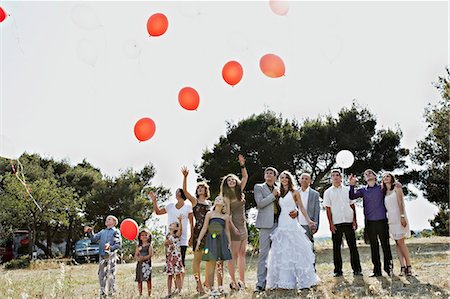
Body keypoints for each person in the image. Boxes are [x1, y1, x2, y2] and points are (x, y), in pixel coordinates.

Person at [266, 170, 318, 289]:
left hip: (292, 222)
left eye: (286, 177)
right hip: (282, 221)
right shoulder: (278, 193)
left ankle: (302, 281)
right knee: (282, 250)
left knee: (295, 249)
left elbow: (301, 207)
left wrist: (308, 220)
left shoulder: (295, 192)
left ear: (289, 179)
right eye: (282, 177)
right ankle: (284, 281)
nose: (284, 179)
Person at [349, 169, 396, 277]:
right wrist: (352, 185)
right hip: (370, 222)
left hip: (382, 220)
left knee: (385, 245)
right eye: (366, 174)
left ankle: (388, 268)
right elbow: (351, 196)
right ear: (365, 179)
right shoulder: (363, 190)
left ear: (375, 176)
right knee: (374, 246)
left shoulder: (382, 188)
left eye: (370, 173)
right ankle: (377, 270)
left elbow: (393, 187)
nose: (368, 175)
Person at [150, 189, 193, 287]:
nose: (176, 193)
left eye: (178, 191)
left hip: (182, 239)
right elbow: (157, 212)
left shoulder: (188, 207)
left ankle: (180, 287)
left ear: (181, 194)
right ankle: (176, 286)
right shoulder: (170, 206)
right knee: (171, 263)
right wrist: (154, 201)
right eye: (176, 191)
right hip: (170, 240)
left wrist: (192, 237)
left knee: (181, 263)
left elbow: (191, 222)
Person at [323, 169, 362, 277]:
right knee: (336, 248)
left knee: (353, 246)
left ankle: (357, 269)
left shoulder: (347, 190)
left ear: (341, 177)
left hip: (349, 221)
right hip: (336, 223)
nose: (335, 177)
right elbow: (328, 209)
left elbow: (352, 205)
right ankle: (338, 270)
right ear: (331, 178)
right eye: (333, 175)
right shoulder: (327, 192)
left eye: (337, 175)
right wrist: (331, 224)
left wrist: (355, 220)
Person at [181, 166, 212, 293]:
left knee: (210, 259)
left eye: (202, 187)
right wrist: (185, 177)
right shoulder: (194, 201)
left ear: (206, 190)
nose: (200, 189)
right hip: (198, 232)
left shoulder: (210, 204)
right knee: (197, 260)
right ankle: (198, 284)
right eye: (198, 188)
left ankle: (206, 282)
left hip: (210, 233)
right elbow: (185, 191)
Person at [195, 196, 232, 296]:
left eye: (220, 199)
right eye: (217, 199)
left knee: (220, 264)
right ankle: (211, 288)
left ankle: (220, 287)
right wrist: (199, 240)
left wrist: (229, 242)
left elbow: (227, 231)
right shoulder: (209, 214)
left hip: (222, 240)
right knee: (212, 264)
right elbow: (204, 228)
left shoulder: (225, 216)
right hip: (211, 240)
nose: (218, 200)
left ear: (223, 204)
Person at [221, 154, 248, 290]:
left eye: (233, 179)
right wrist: (234, 228)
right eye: (228, 180)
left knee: (242, 254)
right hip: (234, 227)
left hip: (243, 225)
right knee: (233, 255)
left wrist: (242, 165)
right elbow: (228, 215)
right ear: (226, 184)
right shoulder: (226, 196)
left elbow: (245, 177)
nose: (231, 181)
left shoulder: (239, 192)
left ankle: (242, 281)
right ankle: (233, 282)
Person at [253, 166, 281, 293]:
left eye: (272, 173)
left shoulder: (280, 188)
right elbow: (260, 203)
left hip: (280, 224)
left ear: (275, 177)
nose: (269, 175)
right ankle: (260, 283)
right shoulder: (259, 187)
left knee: (278, 254)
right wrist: (273, 195)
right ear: (265, 176)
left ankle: (276, 281)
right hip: (265, 225)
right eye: (267, 173)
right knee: (263, 254)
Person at [382, 172, 412, 276]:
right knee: (397, 244)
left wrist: (402, 216)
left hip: (399, 217)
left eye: (387, 176)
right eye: (384, 177)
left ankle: (409, 266)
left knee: (401, 242)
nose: (385, 178)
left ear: (391, 178)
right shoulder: (385, 192)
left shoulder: (397, 188)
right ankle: (402, 267)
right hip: (391, 219)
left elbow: (401, 203)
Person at [84, 215, 122, 298]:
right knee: (101, 274)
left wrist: (110, 247)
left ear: (114, 222)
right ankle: (102, 292)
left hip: (111, 255)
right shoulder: (102, 232)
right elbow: (93, 239)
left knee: (111, 274)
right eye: (106, 219)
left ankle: (111, 292)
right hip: (102, 255)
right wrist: (90, 232)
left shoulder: (116, 231)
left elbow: (118, 244)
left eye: (109, 219)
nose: (106, 220)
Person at [298, 173, 321, 244]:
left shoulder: (315, 194)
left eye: (306, 179)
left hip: (308, 223)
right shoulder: (296, 193)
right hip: (297, 223)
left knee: (309, 244)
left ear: (310, 181)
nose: (304, 180)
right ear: (299, 180)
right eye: (302, 178)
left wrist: (315, 225)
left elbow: (317, 211)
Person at [164, 216, 184, 297]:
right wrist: (166, 242)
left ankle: (179, 290)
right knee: (170, 275)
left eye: (173, 224)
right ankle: (169, 291)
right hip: (169, 258)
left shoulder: (177, 234)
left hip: (177, 258)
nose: (170, 224)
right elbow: (165, 244)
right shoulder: (168, 235)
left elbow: (180, 230)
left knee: (178, 274)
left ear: (176, 227)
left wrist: (180, 221)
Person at [135, 228, 153, 297]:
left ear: (149, 236)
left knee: (148, 279)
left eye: (146, 235)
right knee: (139, 280)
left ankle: (149, 294)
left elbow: (150, 254)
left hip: (147, 265)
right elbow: (136, 254)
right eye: (142, 235)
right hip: (139, 264)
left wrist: (144, 258)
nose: (144, 236)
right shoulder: (138, 246)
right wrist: (138, 259)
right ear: (140, 237)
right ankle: (140, 293)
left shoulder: (149, 245)